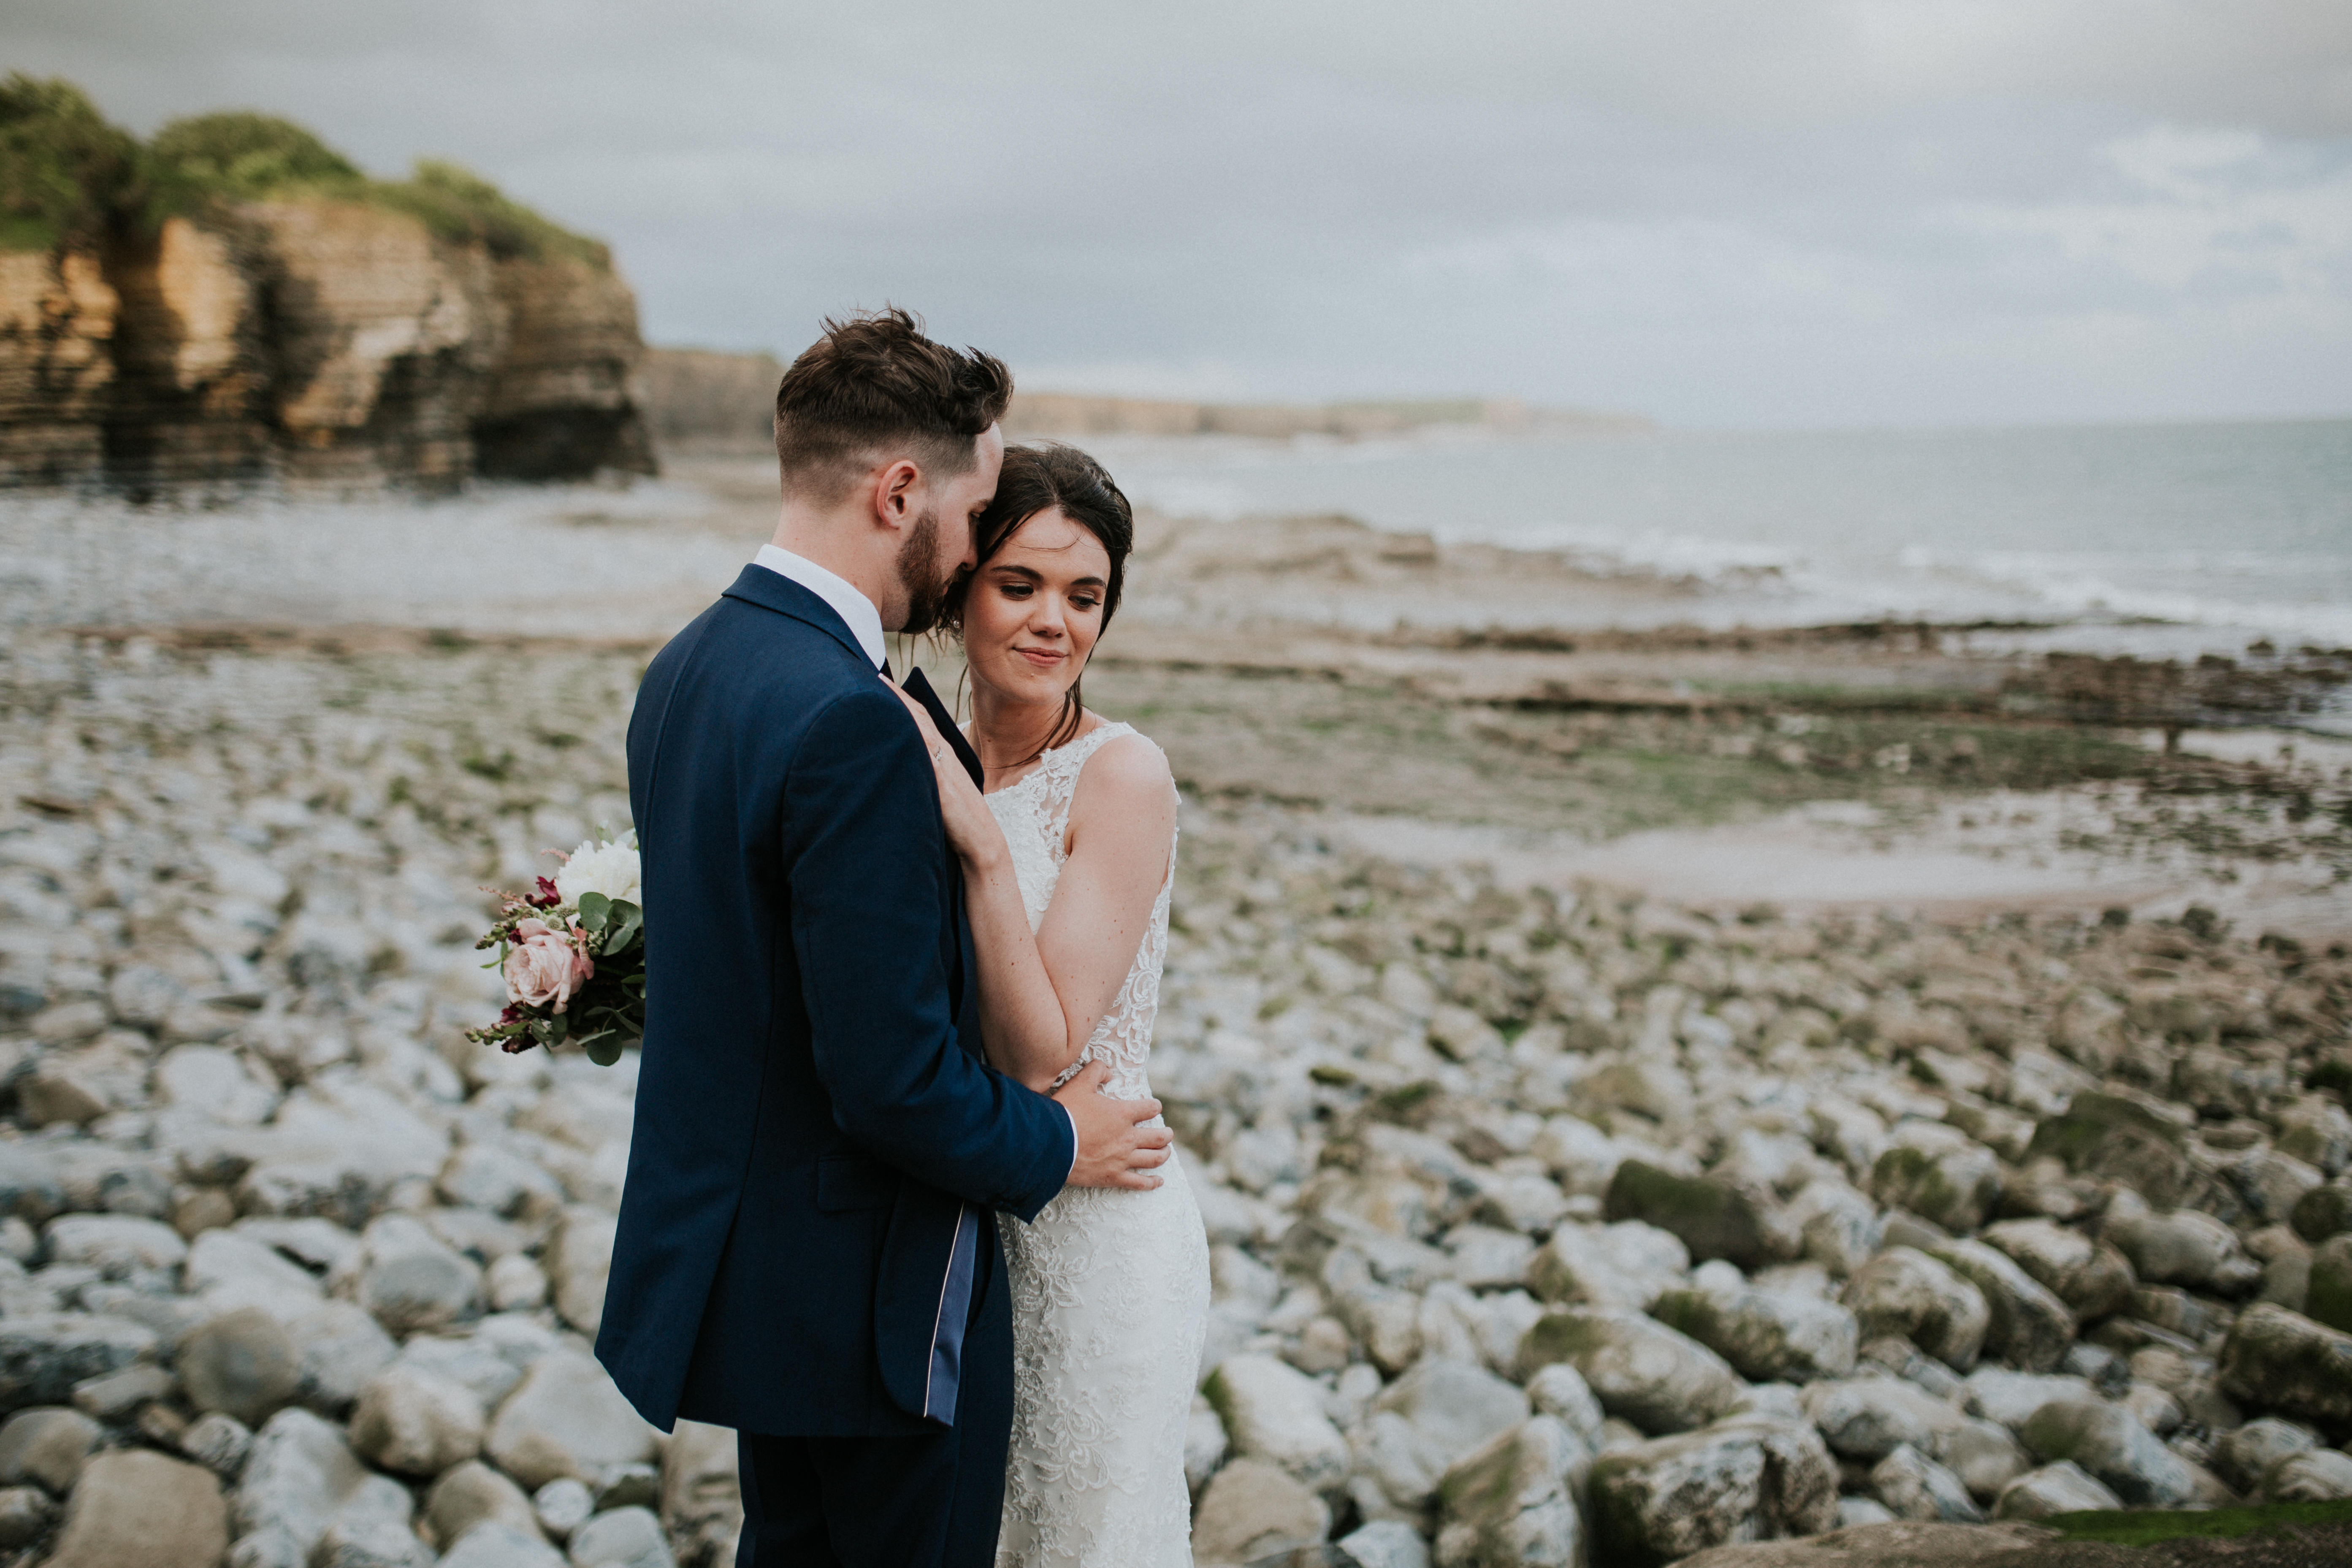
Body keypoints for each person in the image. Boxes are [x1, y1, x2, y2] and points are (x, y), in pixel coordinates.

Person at [595, 310, 1173, 1568]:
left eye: (1082, 593)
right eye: (982, 534)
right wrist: (1059, 1138)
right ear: (899, 488)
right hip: (877, 1299)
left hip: (760, 1284)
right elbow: (890, 1076)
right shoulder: (854, 717)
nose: (969, 561)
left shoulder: (688, 666)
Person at [895, 443, 1211, 1567]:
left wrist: (983, 850)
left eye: (1085, 596)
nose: (1053, 622)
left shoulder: (1123, 775)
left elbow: (1039, 1050)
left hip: (1100, 1223)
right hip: (981, 1217)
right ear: (962, 587)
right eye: (1020, 584)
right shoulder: (922, 751)